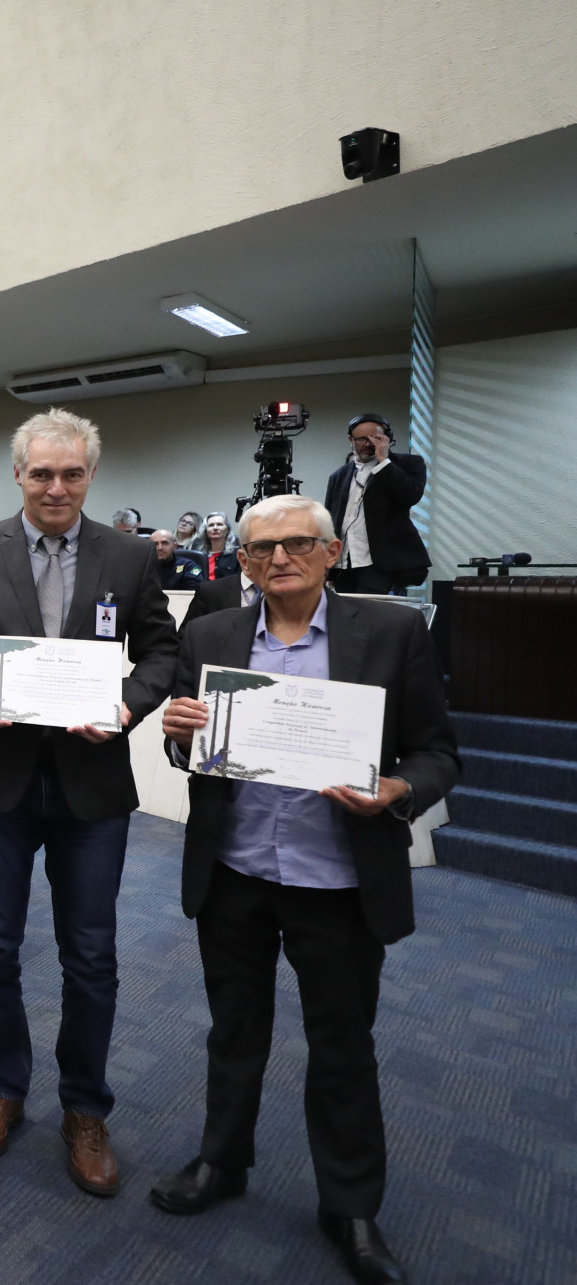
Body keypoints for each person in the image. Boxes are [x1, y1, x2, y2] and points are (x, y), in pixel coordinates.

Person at [154, 494, 457, 1285]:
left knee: (342, 1047)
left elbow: (436, 751)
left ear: (328, 552)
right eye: (259, 549)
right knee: (233, 1031)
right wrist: (178, 734)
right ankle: (222, 1162)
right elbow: (187, 753)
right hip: (235, 873)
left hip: (338, 881)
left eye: (295, 543)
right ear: (242, 562)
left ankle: (349, 1205)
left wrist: (396, 790)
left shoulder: (390, 632)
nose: (276, 558)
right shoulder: (210, 634)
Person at [0, 407, 179, 1197]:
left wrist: (127, 706)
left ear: (89, 475)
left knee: (92, 955)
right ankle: (0, 1087)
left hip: (91, 783)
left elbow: (160, 647)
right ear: (18, 475)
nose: (55, 486)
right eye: (41, 472)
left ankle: (84, 1108)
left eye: (70, 472)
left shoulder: (130, 555)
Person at [324, 415, 430, 597]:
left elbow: (410, 495)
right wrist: (329, 566)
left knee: (373, 615)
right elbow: (331, 520)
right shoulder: (338, 476)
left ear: (387, 438)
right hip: (345, 564)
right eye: (362, 439)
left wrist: (384, 462)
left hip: (381, 562)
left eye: (376, 438)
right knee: (347, 616)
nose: (368, 443)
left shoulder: (408, 464)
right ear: (351, 440)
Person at [181, 541, 266, 628]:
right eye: (264, 549)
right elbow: (187, 634)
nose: (278, 559)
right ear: (243, 559)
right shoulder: (211, 592)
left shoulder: (279, 592)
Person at [198, 512, 239, 582]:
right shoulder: (199, 555)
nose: (215, 528)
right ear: (206, 531)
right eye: (211, 525)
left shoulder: (237, 554)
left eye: (219, 524)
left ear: (227, 530)